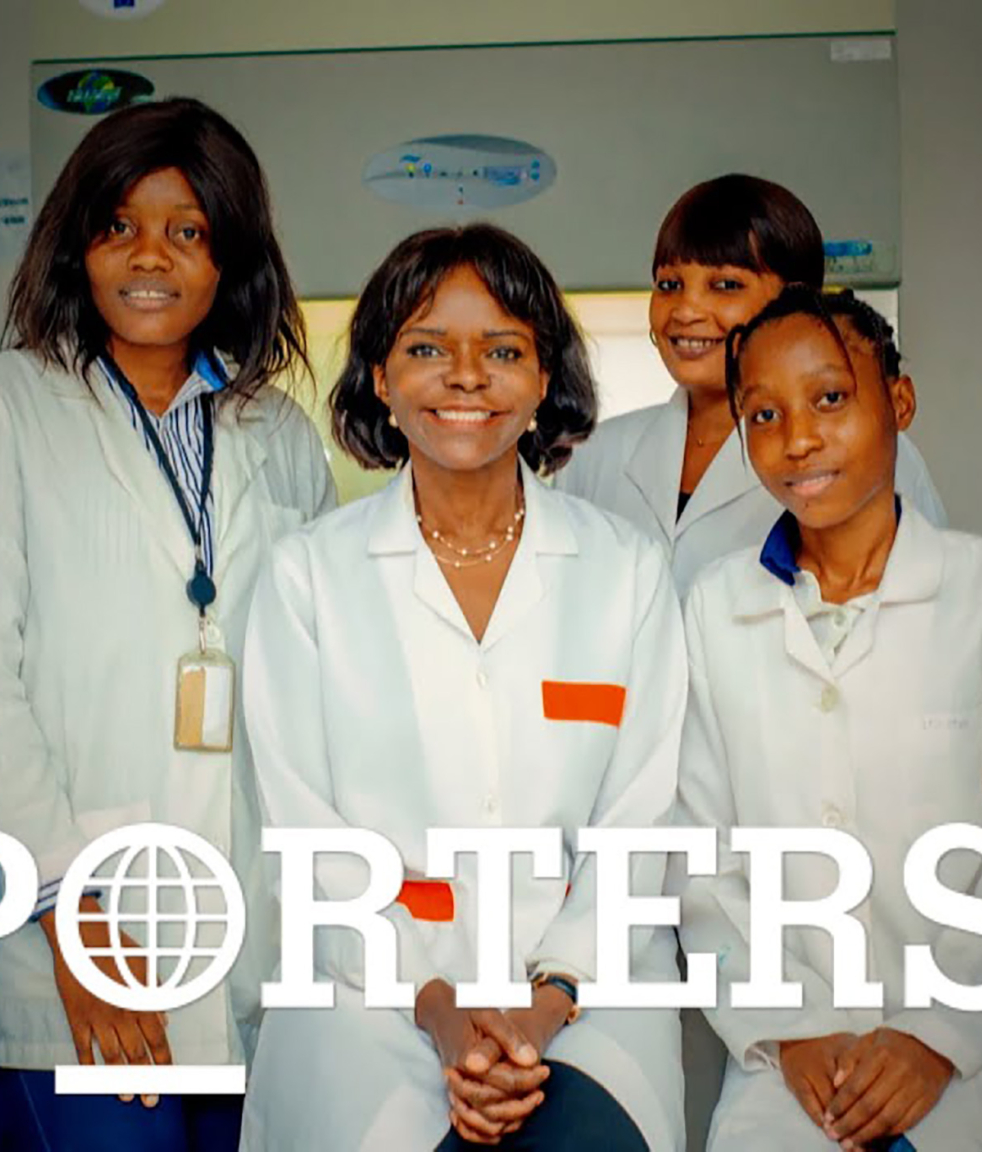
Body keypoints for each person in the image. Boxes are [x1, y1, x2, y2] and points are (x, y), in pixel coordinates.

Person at [0, 96, 335, 1152]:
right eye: (118, 226)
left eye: (186, 231)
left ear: (227, 257)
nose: (149, 257)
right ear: (77, 244)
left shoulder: (274, 430)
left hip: (248, 954)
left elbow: (319, 685)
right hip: (68, 945)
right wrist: (72, 912)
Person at [237, 224, 686, 1151]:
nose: (467, 375)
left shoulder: (625, 570)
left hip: (585, 1009)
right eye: (428, 348)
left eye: (504, 350)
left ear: (544, 382)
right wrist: (440, 1004)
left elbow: (643, 817)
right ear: (379, 381)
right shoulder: (308, 577)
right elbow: (306, 832)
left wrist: (545, 1001)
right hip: (369, 1002)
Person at [674, 286, 982, 1151]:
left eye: (830, 398)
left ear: (898, 402)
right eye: (763, 414)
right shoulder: (715, 611)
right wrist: (791, 1026)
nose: (797, 438)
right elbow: (704, 864)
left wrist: (935, 1038)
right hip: (795, 1053)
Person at [559, 174, 946, 598]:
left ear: (795, 300)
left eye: (725, 285)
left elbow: (921, 613)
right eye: (669, 284)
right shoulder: (593, 454)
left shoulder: (868, 451)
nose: (686, 310)